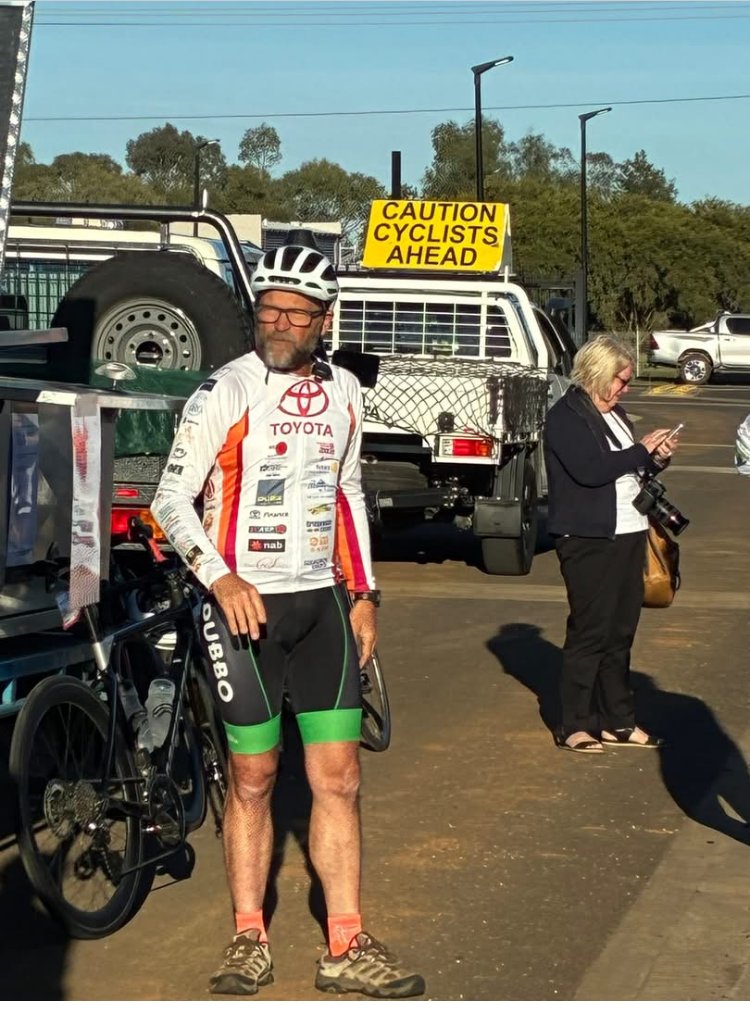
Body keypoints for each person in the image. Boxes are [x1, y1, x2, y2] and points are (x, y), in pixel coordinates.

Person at [152, 244, 425, 999]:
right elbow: (170, 502)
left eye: (293, 313)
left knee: (339, 777)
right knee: (253, 774)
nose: (276, 322)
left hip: (323, 604)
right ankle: (249, 934)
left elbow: (347, 492)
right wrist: (222, 575)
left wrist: (365, 593)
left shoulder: (343, 391)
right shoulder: (226, 389)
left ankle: (347, 941)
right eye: (267, 308)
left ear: (323, 320)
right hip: (245, 608)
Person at [543, 334, 679, 754]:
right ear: (599, 374)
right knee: (590, 630)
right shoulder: (567, 416)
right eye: (621, 379)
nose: (626, 387)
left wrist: (655, 458)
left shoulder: (617, 414)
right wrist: (640, 451)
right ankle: (576, 723)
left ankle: (618, 720)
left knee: (621, 630)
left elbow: (628, 470)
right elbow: (591, 470)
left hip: (628, 529)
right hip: (588, 537)